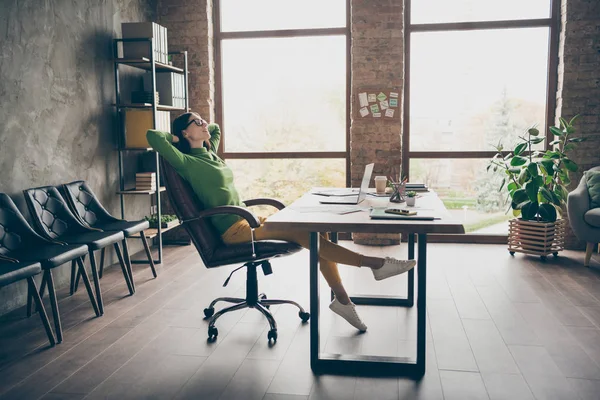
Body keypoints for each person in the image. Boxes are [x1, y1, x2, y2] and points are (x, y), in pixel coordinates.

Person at [146, 112, 416, 332]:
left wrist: (199, 127)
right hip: (235, 230)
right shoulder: (185, 161)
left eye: (202, 119)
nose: (204, 123)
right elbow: (152, 136)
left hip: (250, 220)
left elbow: (215, 128)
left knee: (312, 234)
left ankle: (345, 300)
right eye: (196, 122)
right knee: (308, 236)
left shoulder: (210, 153)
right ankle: (374, 265)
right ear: (184, 133)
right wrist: (174, 137)